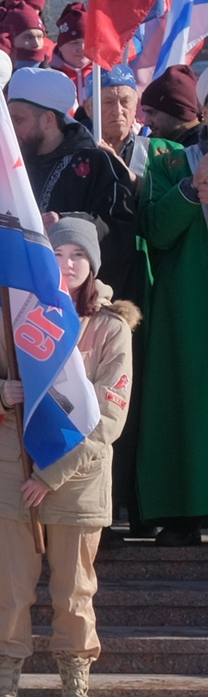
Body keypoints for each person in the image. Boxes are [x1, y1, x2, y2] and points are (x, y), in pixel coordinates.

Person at [0, 215, 137, 697]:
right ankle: (4, 692)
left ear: (93, 265)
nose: (69, 264)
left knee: (74, 591)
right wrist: (0, 394)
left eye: (78, 256)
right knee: (12, 590)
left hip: (76, 482)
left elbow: (109, 416)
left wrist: (53, 474)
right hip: (14, 474)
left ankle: (75, 694)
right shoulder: (19, 318)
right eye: (57, 255)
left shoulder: (109, 328)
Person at [7, 67, 143, 298]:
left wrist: (67, 223)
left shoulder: (97, 163)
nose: (11, 128)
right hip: (21, 296)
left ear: (48, 119)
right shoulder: (11, 161)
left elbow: (118, 229)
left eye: (18, 120)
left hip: (80, 304)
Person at [137, 135, 208, 543]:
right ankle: (183, 513)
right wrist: (190, 191)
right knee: (185, 403)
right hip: (186, 307)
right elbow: (155, 231)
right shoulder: (171, 165)